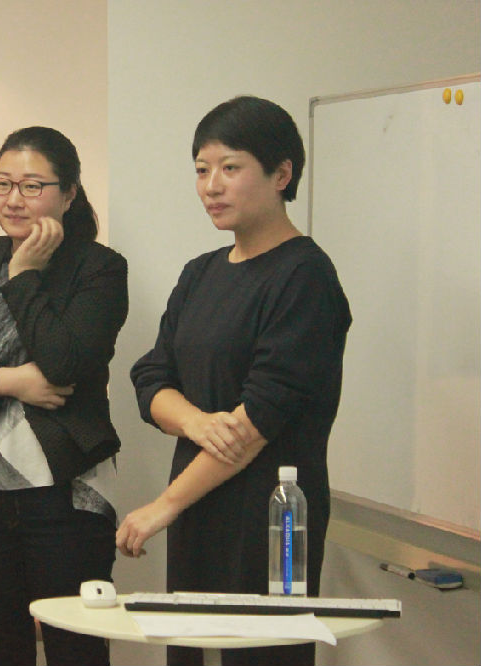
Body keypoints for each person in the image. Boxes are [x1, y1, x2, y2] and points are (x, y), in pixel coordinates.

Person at [117, 96, 352, 666]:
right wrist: (196, 421)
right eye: (202, 170)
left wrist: (164, 505)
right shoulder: (200, 272)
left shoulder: (305, 275)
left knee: (259, 656)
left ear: (281, 174)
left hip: (274, 517)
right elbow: (152, 377)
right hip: (200, 508)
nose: (211, 186)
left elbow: (259, 419)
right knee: (192, 652)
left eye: (230, 167)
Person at [0, 127, 128, 666]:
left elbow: (65, 363)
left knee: (76, 652)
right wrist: (10, 383)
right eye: (2, 183)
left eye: (32, 186)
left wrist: (24, 275)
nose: (13, 199)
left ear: (69, 193)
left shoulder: (99, 269)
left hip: (65, 498)